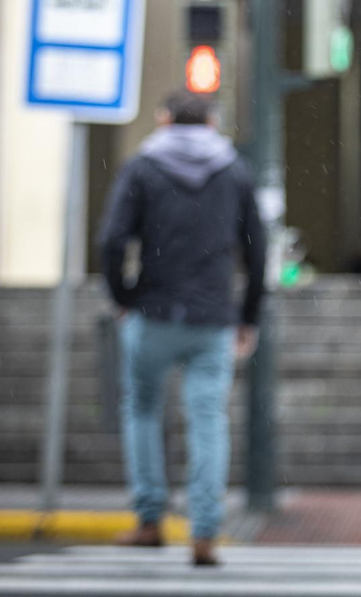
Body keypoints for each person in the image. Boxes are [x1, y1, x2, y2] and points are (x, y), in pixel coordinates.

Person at [99, 90, 266, 567]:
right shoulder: (234, 172)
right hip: (212, 318)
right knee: (208, 420)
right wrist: (248, 315)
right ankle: (205, 532)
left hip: (151, 313)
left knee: (143, 410)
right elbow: (256, 253)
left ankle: (150, 521)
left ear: (163, 119)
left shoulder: (143, 167)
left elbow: (111, 240)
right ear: (213, 123)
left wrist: (122, 297)